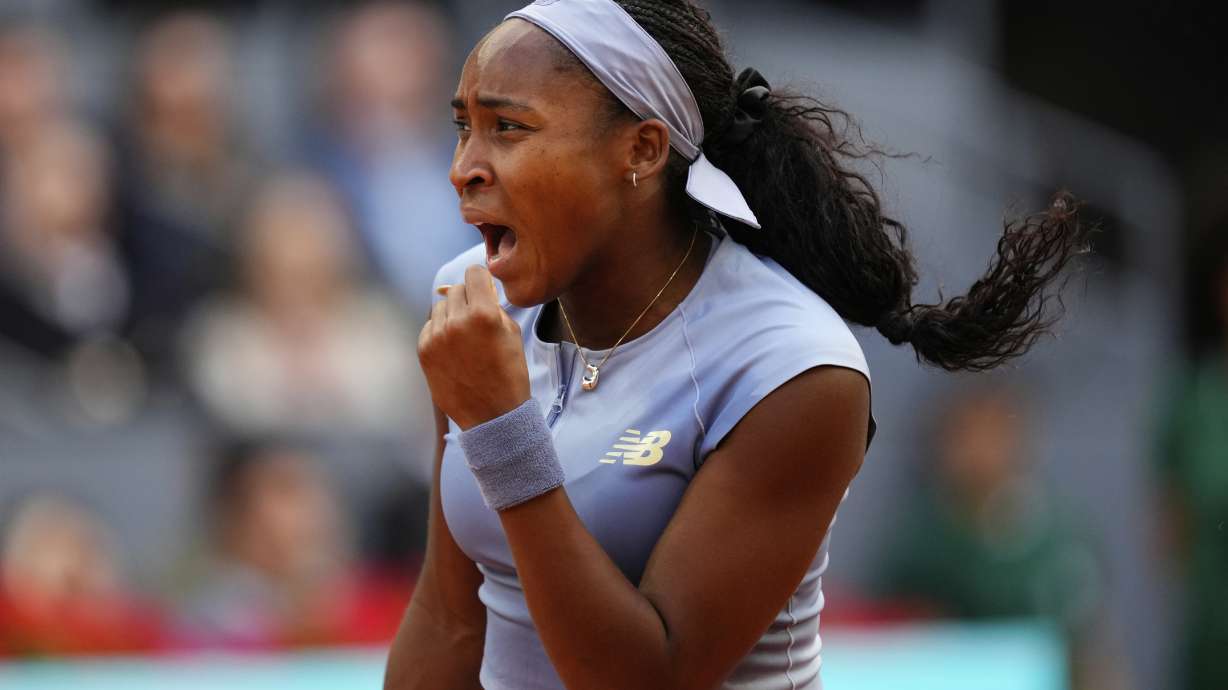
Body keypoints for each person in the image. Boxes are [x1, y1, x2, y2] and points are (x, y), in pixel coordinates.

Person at [384, 1, 1084, 688]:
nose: (464, 167)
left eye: (508, 127)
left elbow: (649, 677)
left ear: (642, 149)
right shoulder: (473, 301)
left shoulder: (792, 366)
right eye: (463, 128)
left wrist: (505, 431)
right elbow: (449, 617)